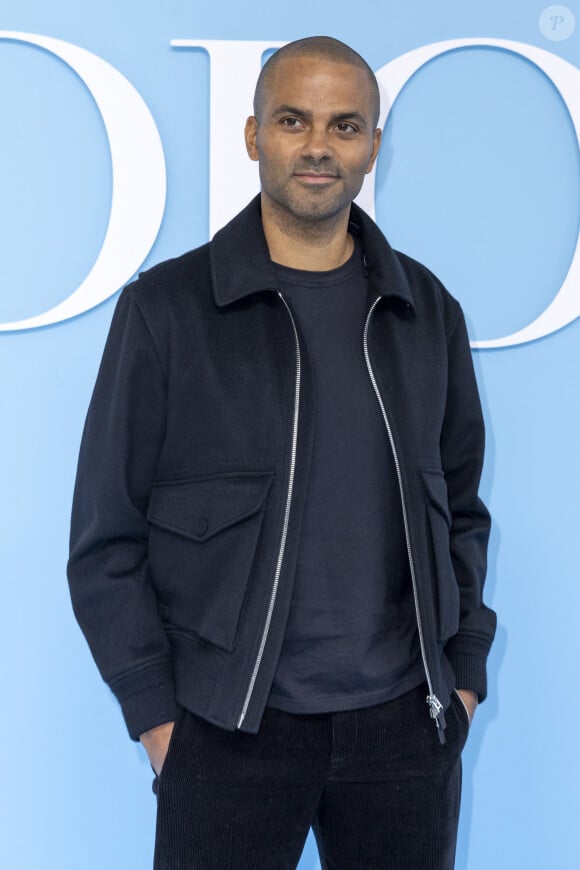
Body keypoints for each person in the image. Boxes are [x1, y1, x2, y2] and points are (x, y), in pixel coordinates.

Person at [68, 35, 496, 870]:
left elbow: (465, 509)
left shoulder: (424, 309)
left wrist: (463, 676)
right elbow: (105, 538)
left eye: (345, 126)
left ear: (373, 144)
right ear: (254, 135)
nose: (318, 147)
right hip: (228, 731)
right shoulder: (168, 309)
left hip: (406, 732)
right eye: (294, 120)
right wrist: (158, 717)